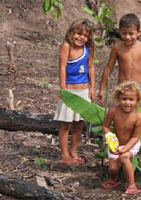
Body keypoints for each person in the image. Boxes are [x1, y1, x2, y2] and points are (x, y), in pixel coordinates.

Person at [53, 19, 95, 165]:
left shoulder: (88, 49)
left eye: (85, 35)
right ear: (72, 33)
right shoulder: (66, 46)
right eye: (78, 34)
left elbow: (90, 68)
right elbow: (62, 67)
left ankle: (74, 151)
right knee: (66, 124)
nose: (81, 38)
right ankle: (64, 154)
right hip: (70, 92)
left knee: (79, 124)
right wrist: (63, 89)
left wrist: (93, 88)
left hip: (84, 91)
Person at [98, 13, 141, 105]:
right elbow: (108, 68)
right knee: (120, 114)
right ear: (119, 31)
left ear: (138, 32)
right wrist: (101, 89)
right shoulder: (117, 48)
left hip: (138, 87)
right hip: (122, 87)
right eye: (124, 33)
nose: (127, 37)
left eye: (131, 34)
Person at [101, 81, 141, 195]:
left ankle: (132, 185)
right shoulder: (113, 111)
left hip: (131, 144)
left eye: (131, 99)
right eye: (124, 99)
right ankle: (114, 179)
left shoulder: (138, 116)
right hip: (116, 143)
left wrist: (125, 149)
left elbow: (135, 137)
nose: (127, 102)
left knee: (124, 158)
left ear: (137, 100)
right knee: (113, 169)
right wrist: (109, 137)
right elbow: (105, 126)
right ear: (118, 98)